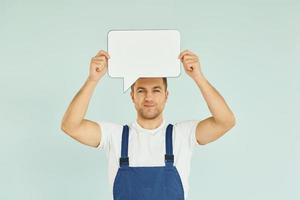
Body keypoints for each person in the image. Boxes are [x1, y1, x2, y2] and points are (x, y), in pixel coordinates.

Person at [60, 49, 236, 200]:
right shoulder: (115, 135)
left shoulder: (183, 134)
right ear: (132, 96)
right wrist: (93, 79)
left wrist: (198, 77)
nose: (149, 97)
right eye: (141, 90)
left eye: (156, 90)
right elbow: (70, 126)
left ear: (166, 95)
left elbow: (225, 121)